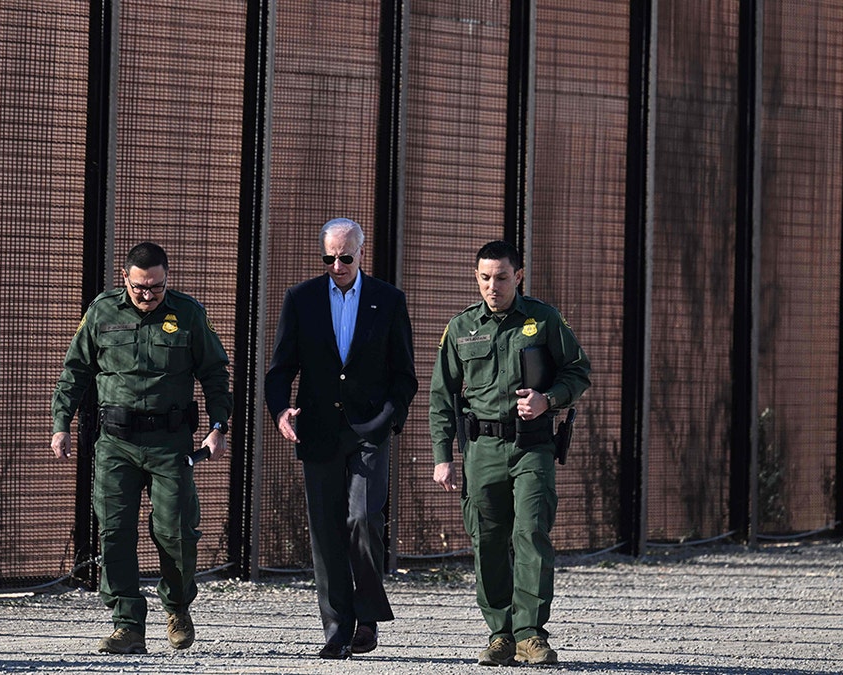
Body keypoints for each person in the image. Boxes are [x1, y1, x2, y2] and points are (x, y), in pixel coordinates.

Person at [51, 241, 232, 655]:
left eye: (156, 287)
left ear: (167, 279)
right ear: (125, 280)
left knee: (177, 532)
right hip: (115, 442)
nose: (148, 295)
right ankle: (127, 624)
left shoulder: (188, 314)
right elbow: (75, 371)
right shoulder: (101, 312)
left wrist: (219, 426)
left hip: (170, 443)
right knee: (114, 533)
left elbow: (215, 374)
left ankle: (177, 606)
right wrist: (61, 424)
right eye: (139, 288)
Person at [429, 240, 590, 666]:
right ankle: (500, 633)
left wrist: (548, 399)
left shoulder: (543, 319)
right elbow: (441, 397)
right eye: (484, 277)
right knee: (488, 539)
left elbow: (578, 371)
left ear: (518, 276)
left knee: (531, 531)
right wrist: (442, 456)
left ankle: (531, 634)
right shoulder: (461, 329)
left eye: (501, 277)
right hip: (481, 449)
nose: (492, 286)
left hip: (532, 445)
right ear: (476, 277)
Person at [265, 218, 418, 659]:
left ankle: (366, 617)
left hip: (369, 430)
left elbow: (404, 374)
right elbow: (280, 370)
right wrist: (280, 412)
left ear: (361, 254)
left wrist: (390, 418)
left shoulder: (388, 300)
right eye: (329, 258)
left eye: (345, 257)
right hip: (318, 430)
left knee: (363, 519)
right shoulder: (301, 299)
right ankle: (337, 627)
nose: (337, 265)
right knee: (326, 532)